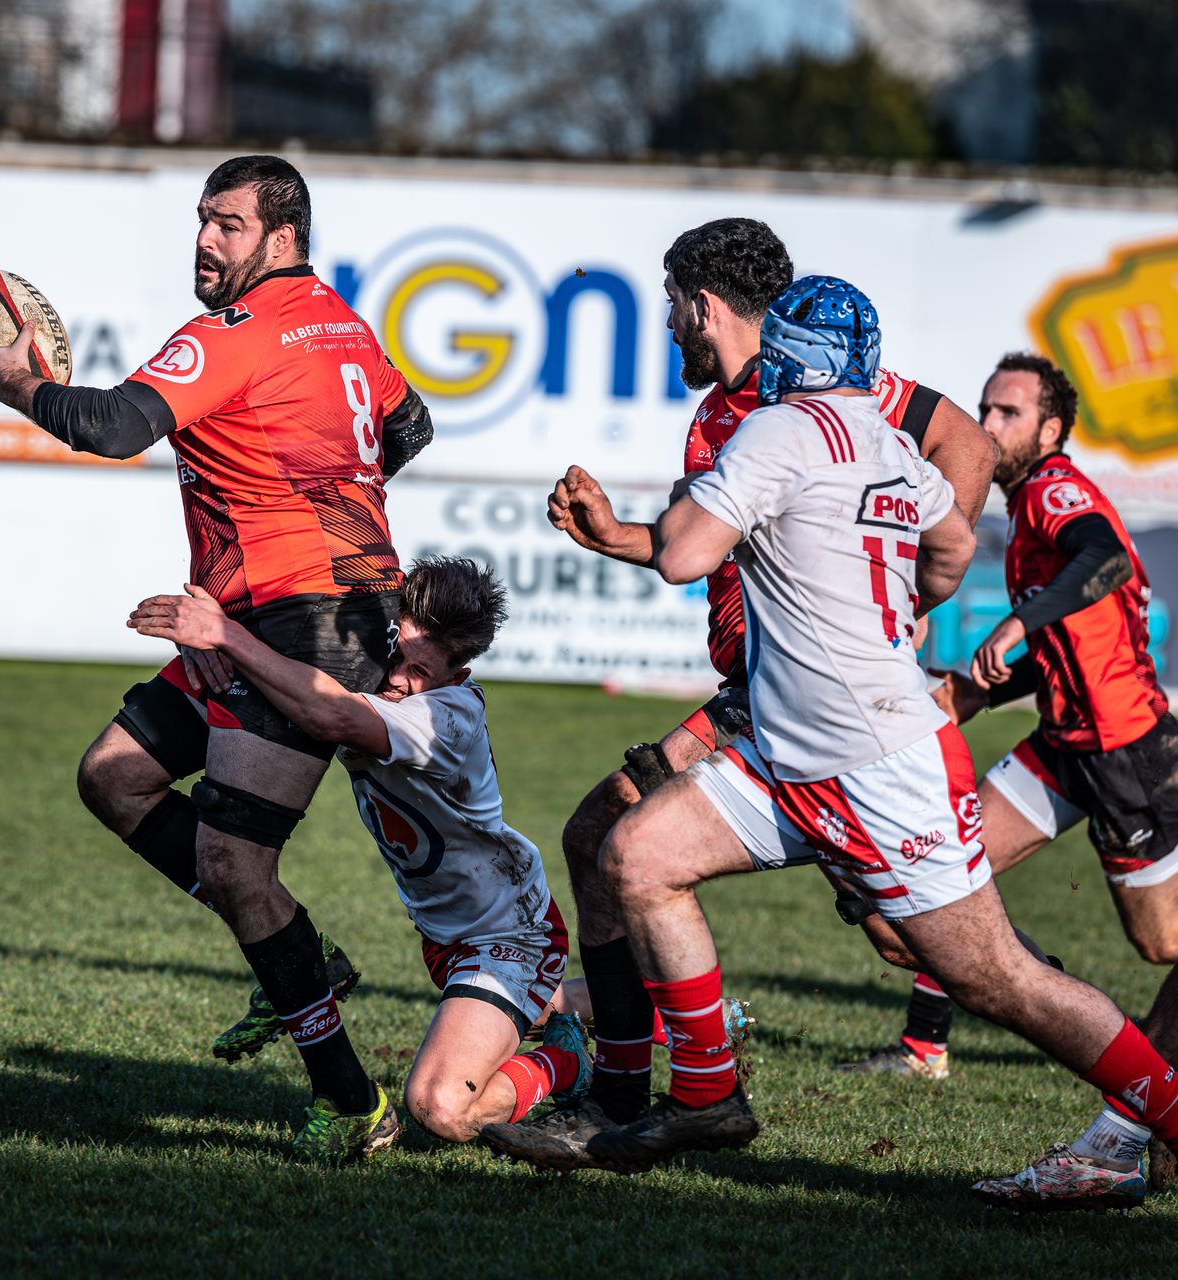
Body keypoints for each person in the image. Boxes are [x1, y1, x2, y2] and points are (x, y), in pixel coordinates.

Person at [486, 275, 1178, 1180]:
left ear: (784, 359)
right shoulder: (888, 441)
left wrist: (680, 517)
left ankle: (1168, 1111)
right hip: (794, 750)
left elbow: (687, 555)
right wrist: (897, 603)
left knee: (998, 980)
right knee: (637, 854)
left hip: (874, 765)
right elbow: (951, 549)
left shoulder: (774, 430)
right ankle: (706, 1096)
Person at [0, 155, 434, 1163]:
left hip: (309, 620)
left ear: (282, 237)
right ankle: (299, 958)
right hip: (274, 607)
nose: (206, 241)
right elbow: (409, 425)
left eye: (228, 225)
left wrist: (18, 384)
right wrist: (315, 499)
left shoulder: (236, 333)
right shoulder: (339, 323)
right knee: (114, 776)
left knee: (233, 861)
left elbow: (112, 428)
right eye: (203, 221)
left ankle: (352, 1103)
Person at [488, 218, 996, 1165]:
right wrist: (613, 534)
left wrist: (904, 596)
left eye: (672, 304)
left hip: (801, 701)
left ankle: (635, 1091)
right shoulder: (725, 408)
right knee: (614, 842)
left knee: (614, 841)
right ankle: (634, 1089)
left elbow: (965, 443)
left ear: (702, 304)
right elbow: (692, 545)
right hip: (755, 694)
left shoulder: (809, 394)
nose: (666, 325)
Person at [827, 352, 1178, 1210]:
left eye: (1009, 413)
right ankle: (996, 1010)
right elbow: (1067, 643)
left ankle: (1129, 1107)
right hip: (1061, 744)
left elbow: (1105, 561)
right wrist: (980, 688)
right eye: (984, 409)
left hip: (1126, 754)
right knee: (930, 885)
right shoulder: (1023, 509)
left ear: (1051, 430)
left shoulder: (1056, 492)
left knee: (1164, 946)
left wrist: (1017, 623)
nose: (988, 426)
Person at [128, 557, 594, 1144]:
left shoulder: (448, 717)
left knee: (441, 1107)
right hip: (447, 931)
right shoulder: (379, 665)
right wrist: (208, 638)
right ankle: (651, 1003)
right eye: (395, 653)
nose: (395, 677)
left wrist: (224, 634)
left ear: (459, 673)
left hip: (509, 934)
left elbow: (330, 714)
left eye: (420, 670)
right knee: (538, 1005)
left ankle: (569, 1065)